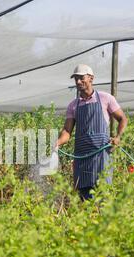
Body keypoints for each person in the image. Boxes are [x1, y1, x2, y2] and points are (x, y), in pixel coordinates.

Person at [55, 64, 128, 201]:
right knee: (83, 196)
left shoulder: (105, 98)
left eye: (81, 78)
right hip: (81, 156)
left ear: (91, 78)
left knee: (102, 193)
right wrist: (57, 142)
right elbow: (67, 131)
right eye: (75, 79)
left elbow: (122, 119)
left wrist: (118, 137)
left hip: (101, 153)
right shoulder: (73, 105)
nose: (78, 82)